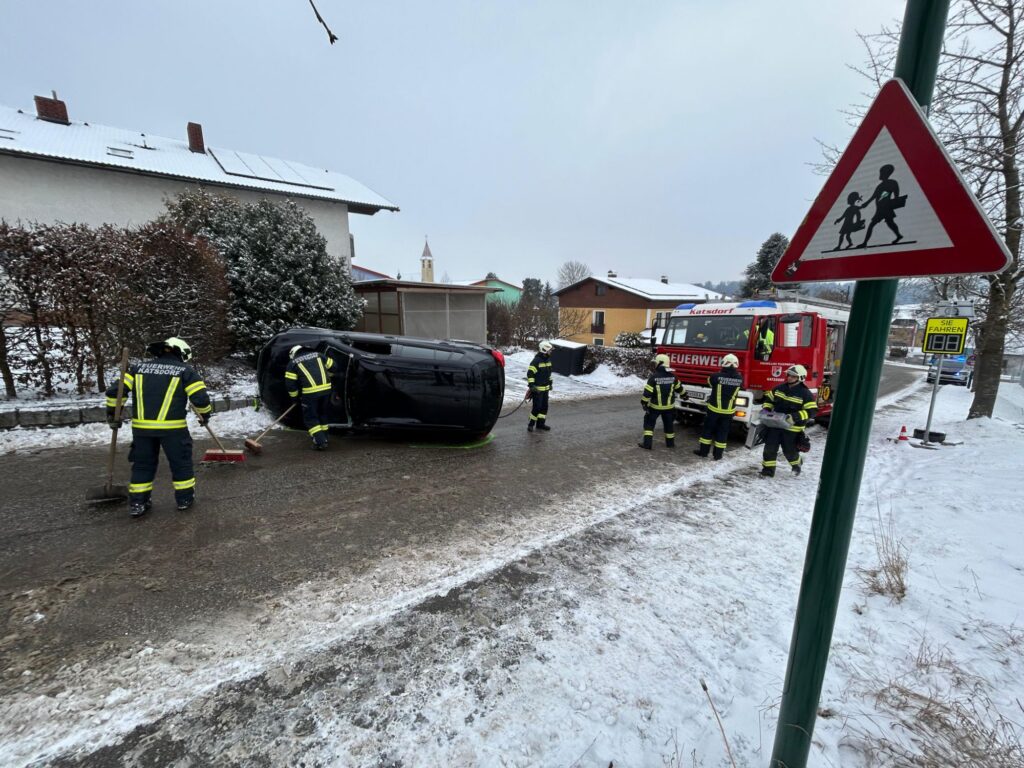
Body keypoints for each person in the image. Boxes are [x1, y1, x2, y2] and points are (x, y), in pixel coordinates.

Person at [105, 337, 213, 517]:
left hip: (142, 430)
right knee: (181, 464)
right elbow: (200, 399)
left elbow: (116, 392)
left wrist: (112, 414)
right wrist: (205, 415)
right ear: (180, 353)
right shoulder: (185, 371)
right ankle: (184, 499)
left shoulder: (137, 369)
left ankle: (138, 502)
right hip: (174, 430)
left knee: (142, 465)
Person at [759, 364, 817, 478]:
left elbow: (812, 411)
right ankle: (768, 472)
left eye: (793, 376)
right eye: (789, 375)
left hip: (792, 428)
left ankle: (797, 464)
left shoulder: (805, 394)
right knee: (769, 449)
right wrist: (766, 409)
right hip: (775, 425)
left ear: (800, 378)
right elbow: (769, 400)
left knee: (789, 452)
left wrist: (794, 417)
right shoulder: (779, 388)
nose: (789, 377)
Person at [285, 344, 336, 450]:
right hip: (326, 390)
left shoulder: (293, 363)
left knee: (310, 418)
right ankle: (324, 437)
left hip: (310, 393)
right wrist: (329, 375)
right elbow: (334, 367)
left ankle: (320, 442)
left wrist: (295, 398)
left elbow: (291, 385)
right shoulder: (318, 355)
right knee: (322, 414)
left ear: (293, 354)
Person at [694, 353, 743, 460]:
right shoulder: (740, 378)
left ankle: (703, 452)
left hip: (714, 410)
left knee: (707, 431)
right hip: (728, 412)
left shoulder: (715, 376)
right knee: (723, 433)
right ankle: (718, 455)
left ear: (723, 363)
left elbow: (710, 383)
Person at [639, 353, 683, 450]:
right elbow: (680, 389)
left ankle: (647, 444)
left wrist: (644, 403)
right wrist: (685, 395)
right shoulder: (673, 377)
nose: (655, 365)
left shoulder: (653, 377)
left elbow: (647, 393)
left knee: (649, 424)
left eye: (656, 363)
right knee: (669, 425)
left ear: (659, 363)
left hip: (655, 407)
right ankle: (670, 444)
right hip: (669, 408)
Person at [858, 164, 904, 247]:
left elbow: (896, 194)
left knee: (873, 224)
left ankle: (865, 243)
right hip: (880, 208)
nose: (880, 174)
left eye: (882, 173)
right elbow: (873, 196)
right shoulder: (880, 186)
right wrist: (866, 204)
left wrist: (896, 201)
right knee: (890, 223)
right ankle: (898, 235)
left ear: (886, 173)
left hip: (886, 208)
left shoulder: (892, 183)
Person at [526, 340, 554, 432]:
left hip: (546, 389)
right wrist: (532, 386)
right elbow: (530, 374)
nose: (551, 352)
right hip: (537, 390)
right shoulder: (536, 361)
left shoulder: (548, 360)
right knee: (537, 408)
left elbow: (549, 374)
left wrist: (550, 383)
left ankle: (540, 424)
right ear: (544, 350)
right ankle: (531, 424)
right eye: (550, 350)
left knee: (544, 407)